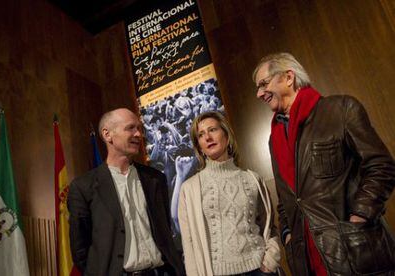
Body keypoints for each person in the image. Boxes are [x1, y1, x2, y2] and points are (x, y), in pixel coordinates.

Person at [252, 52, 395, 275]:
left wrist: (360, 216)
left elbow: (381, 166)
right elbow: (286, 198)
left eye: (263, 84)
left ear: (288, 77)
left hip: (354, 255)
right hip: (306, 263)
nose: (259, 93)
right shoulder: (274, 138)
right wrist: (288, 234)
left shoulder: (341, 109)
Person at [67, 108, 185, 276]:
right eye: (130, 128)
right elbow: (80, 250)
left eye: (139, 129)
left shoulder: (155, 179)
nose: (138, 134)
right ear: (107, 135)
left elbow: (165, 231)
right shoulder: (83, 187)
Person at [178, 111, 281, 276]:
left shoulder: (253, 179)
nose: (208, 138)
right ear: (199, 147)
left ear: (226, 136)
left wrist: (271, 259)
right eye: (201, 135)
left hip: (259, 270)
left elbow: (269, 226)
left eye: (212, 130)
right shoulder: (190, 189)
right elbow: (189, 244)